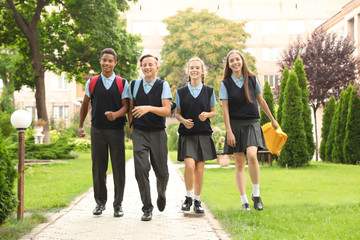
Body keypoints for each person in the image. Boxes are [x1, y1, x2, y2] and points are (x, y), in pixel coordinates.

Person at [219, 50, 278, 211]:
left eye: (237, 59)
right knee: (239, 163)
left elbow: (261, 100)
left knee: (252, 155)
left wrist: (272, 119)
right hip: (235, 125)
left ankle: (256, 195)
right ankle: (244, 200)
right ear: (228, 65)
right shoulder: (225, 84)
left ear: (242, 61)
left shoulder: (251, 80)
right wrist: (229, 131)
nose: (235, 63)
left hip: (252, 122)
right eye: (231, 61)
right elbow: (225, 110)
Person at [78, 48, 129, 217]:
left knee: (118, 168)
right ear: (100, 61)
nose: (107, 63)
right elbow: (85, 105)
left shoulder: (122, 82)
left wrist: (116, 115)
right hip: (97, 130)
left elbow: (126, 106)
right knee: (98, 168)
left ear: (115, 62)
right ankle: (100, 203)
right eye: (104, 60)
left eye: (110, 60)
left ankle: (118, 204)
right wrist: (80, 126)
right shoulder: (92, 82)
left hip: (116, 131)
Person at [128, 54, 172, 221]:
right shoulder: (134, 85)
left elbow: (167, 110)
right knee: (141, 169)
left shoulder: (163, 85)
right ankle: (147, 208)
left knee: (162, 172)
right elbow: (130, 108)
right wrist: (132, 127)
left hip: (158, 133)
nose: (147, 67)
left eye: (150, 64)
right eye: (144, 64)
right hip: (139, 132)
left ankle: (161, 193)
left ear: (156, 68)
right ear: (141, 67)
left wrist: (148, 108)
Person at [175, 57, 217, 214]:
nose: (194, 70)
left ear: (202, 71)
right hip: (187, 134)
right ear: (188, 71)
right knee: (189, 165)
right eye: (191, 67)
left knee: (199, 169)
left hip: (203, 134)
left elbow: (213, 112)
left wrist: (207, 114)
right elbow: (177, 114)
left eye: (197, 68)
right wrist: (183, 120)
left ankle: (197, 201)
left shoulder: (209, 91)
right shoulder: (181, 92)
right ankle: (188, 197)